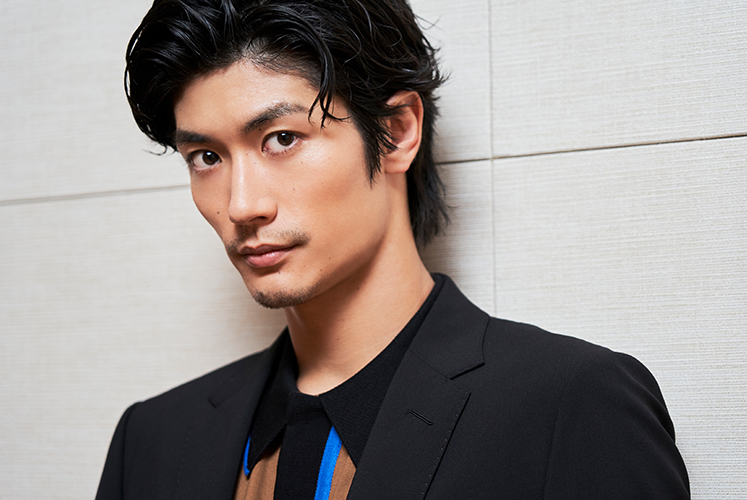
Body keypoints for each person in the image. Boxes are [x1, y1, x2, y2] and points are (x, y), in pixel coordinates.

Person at [96, 0, 690, 498]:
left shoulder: (572, 406)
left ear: (397, 130)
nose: (241, 205)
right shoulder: (151, 440)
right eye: (206, 157)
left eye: (281, 138)